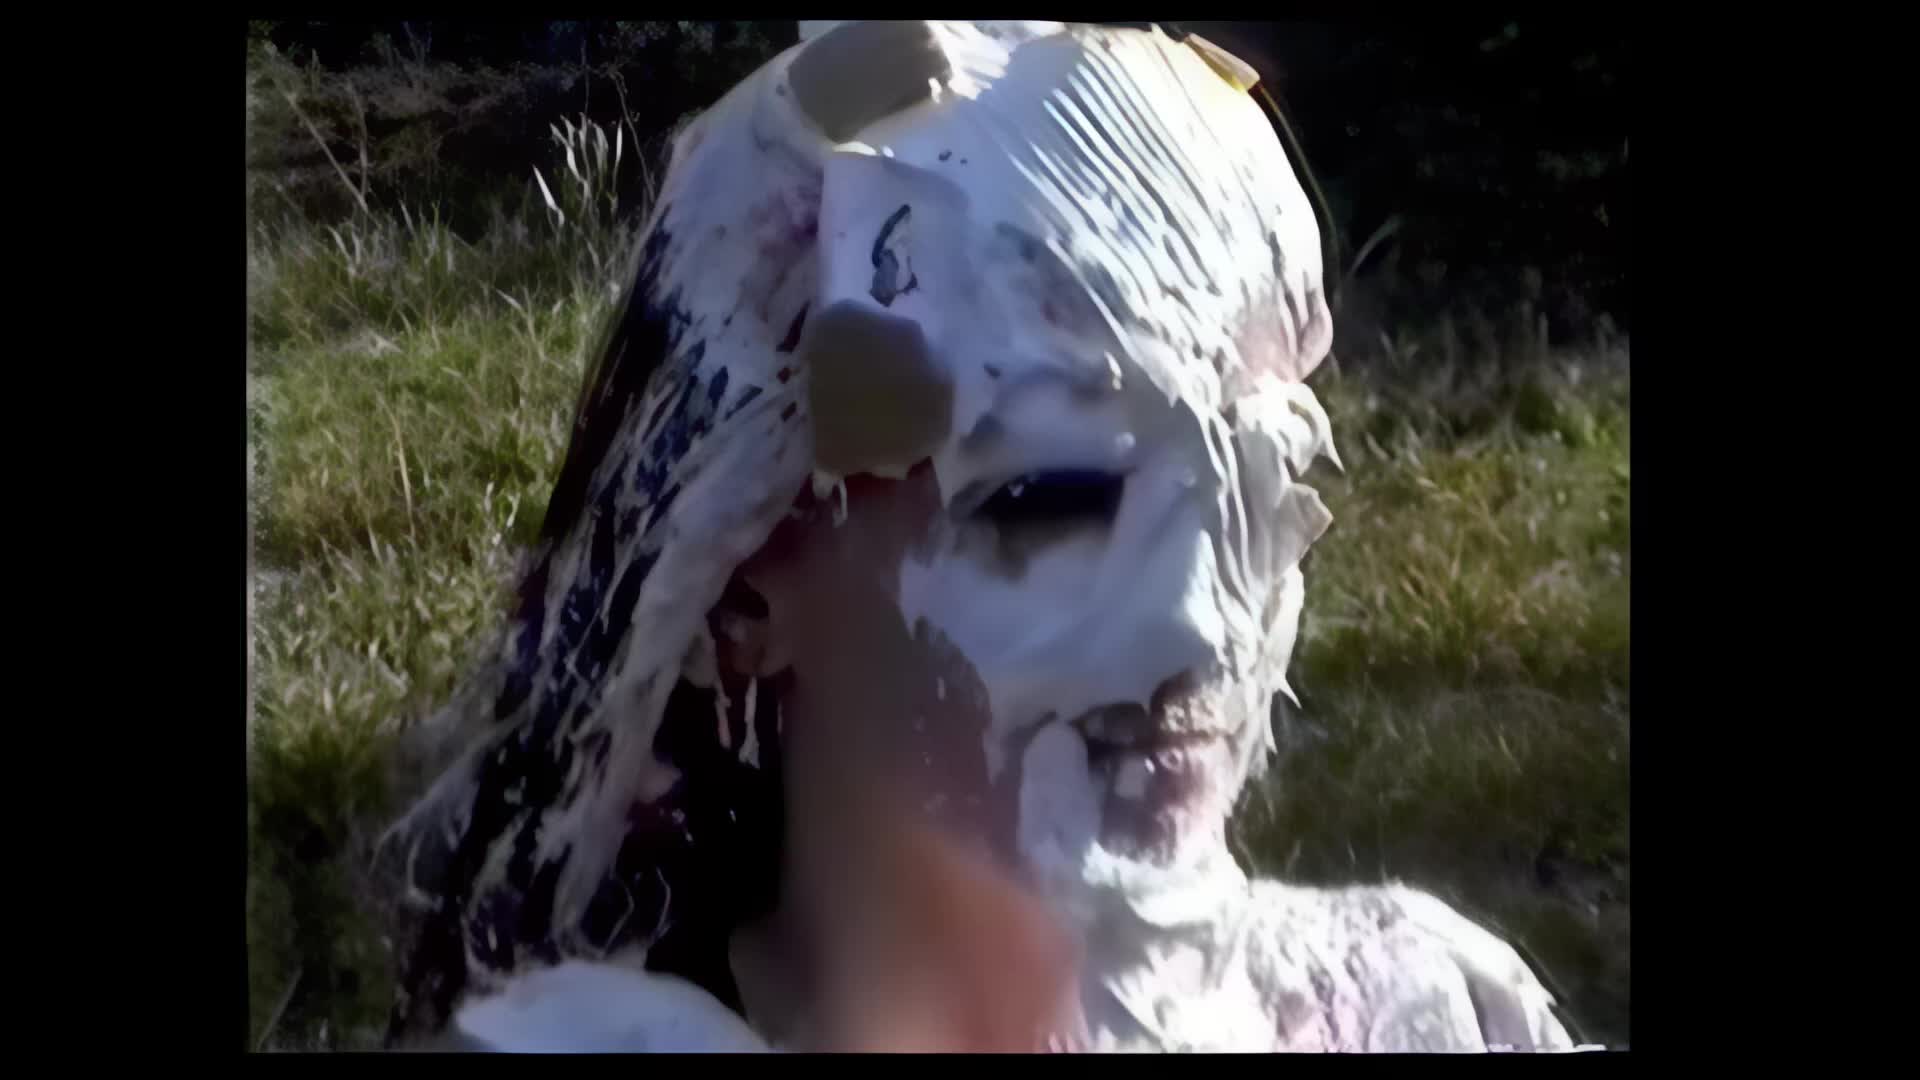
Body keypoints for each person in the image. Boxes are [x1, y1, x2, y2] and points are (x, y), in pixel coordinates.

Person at [378, 20, 1579, 1052]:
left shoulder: (1417, 1005)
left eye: (1265, 495)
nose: (1200, 634)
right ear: (739, 589)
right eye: (1050, 501)